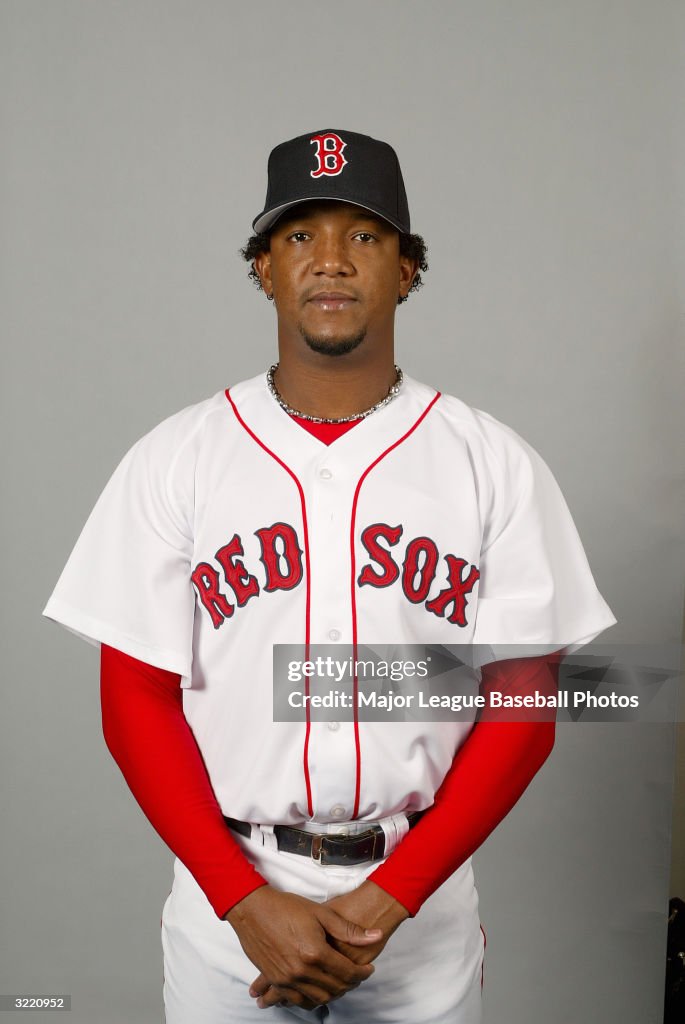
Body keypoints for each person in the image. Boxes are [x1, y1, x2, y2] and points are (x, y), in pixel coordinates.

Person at [43, 129, 616, 1023]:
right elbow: (134, 697)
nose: (332, 261)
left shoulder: (489, 462)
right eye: (301, 235)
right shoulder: (177, 459)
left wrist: (394, 897)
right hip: (227, 901)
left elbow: (523, 699)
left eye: (364, 235)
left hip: (416, 901)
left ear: (406, 270)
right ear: (264, 269)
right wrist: (240, 898)